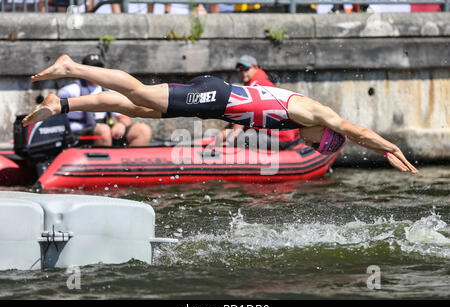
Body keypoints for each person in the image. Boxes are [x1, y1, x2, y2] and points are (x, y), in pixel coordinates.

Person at [23, 55, 418, 174]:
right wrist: (387, 148)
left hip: (214, 104)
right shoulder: (311, 112)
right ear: (322, 134)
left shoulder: (300, 122)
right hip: (215, 96)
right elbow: (354, 128)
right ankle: (72, 68)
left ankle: (63, 104)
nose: (309, 144)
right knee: (140, 91)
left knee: (135, 105)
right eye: (316, 143)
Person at [57, 54, 152, 147]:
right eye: (92, 68)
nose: (96, 72)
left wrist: (121, 125)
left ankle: (128, 161)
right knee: (103, 130)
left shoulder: (109, 90)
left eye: (99, 68)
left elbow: (124, 117)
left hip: (105, 131)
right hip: (78, 134)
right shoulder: (70, 91)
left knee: (143, 130)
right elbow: (55, 117)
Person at [223, 55, 300, 149]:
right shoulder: (261, 84)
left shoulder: (256, 88)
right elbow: (236, 119)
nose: (243, 72)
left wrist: (229, 141)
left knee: (240, 138)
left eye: (246, 68)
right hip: (286, 136)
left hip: (282, 139)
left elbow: (241, 118)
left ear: (256, 68)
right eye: (239, 70)